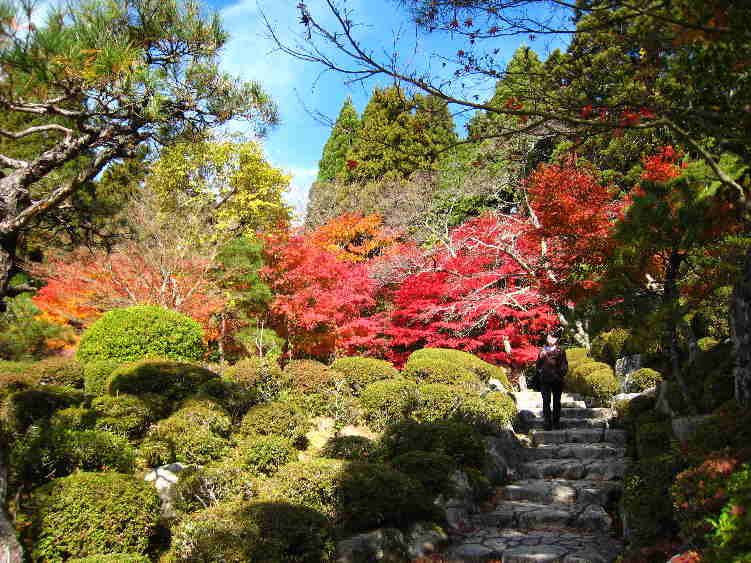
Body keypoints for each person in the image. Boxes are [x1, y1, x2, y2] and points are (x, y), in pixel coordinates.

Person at [535, 330, 568, 431]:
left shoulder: (560, 351)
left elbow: (564, 366)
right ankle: (547, 423)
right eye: (549, 337)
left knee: (556, 401)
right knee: (546, 401)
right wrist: (540, 358)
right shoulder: (542, 350)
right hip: (545, 380)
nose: (551, 339)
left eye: (554, 337)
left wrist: (559, 375)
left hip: (557, 380)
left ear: (557, 339)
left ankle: (556, 422)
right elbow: (538, 366)